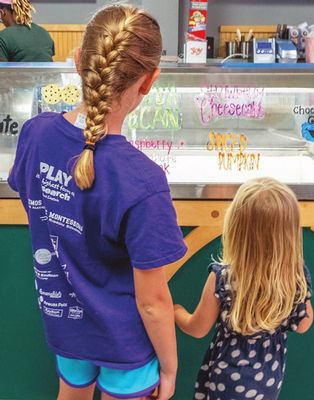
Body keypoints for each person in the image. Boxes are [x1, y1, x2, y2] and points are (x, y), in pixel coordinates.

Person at [8, 4, 187, 400]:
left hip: (65, 324)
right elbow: (154, 303)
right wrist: (170, 367)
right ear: (149, 81)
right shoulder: (142, 180)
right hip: (124, 341)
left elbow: (41, 210)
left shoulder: (35, 135)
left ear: (77, 61)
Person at [174, 177, 313, 400]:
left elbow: (197, 328)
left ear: (236, 228)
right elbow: (304, 324)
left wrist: (176, 312)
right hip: (268, 380)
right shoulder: (295, 276)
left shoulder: (223, 277)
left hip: (225, 379)